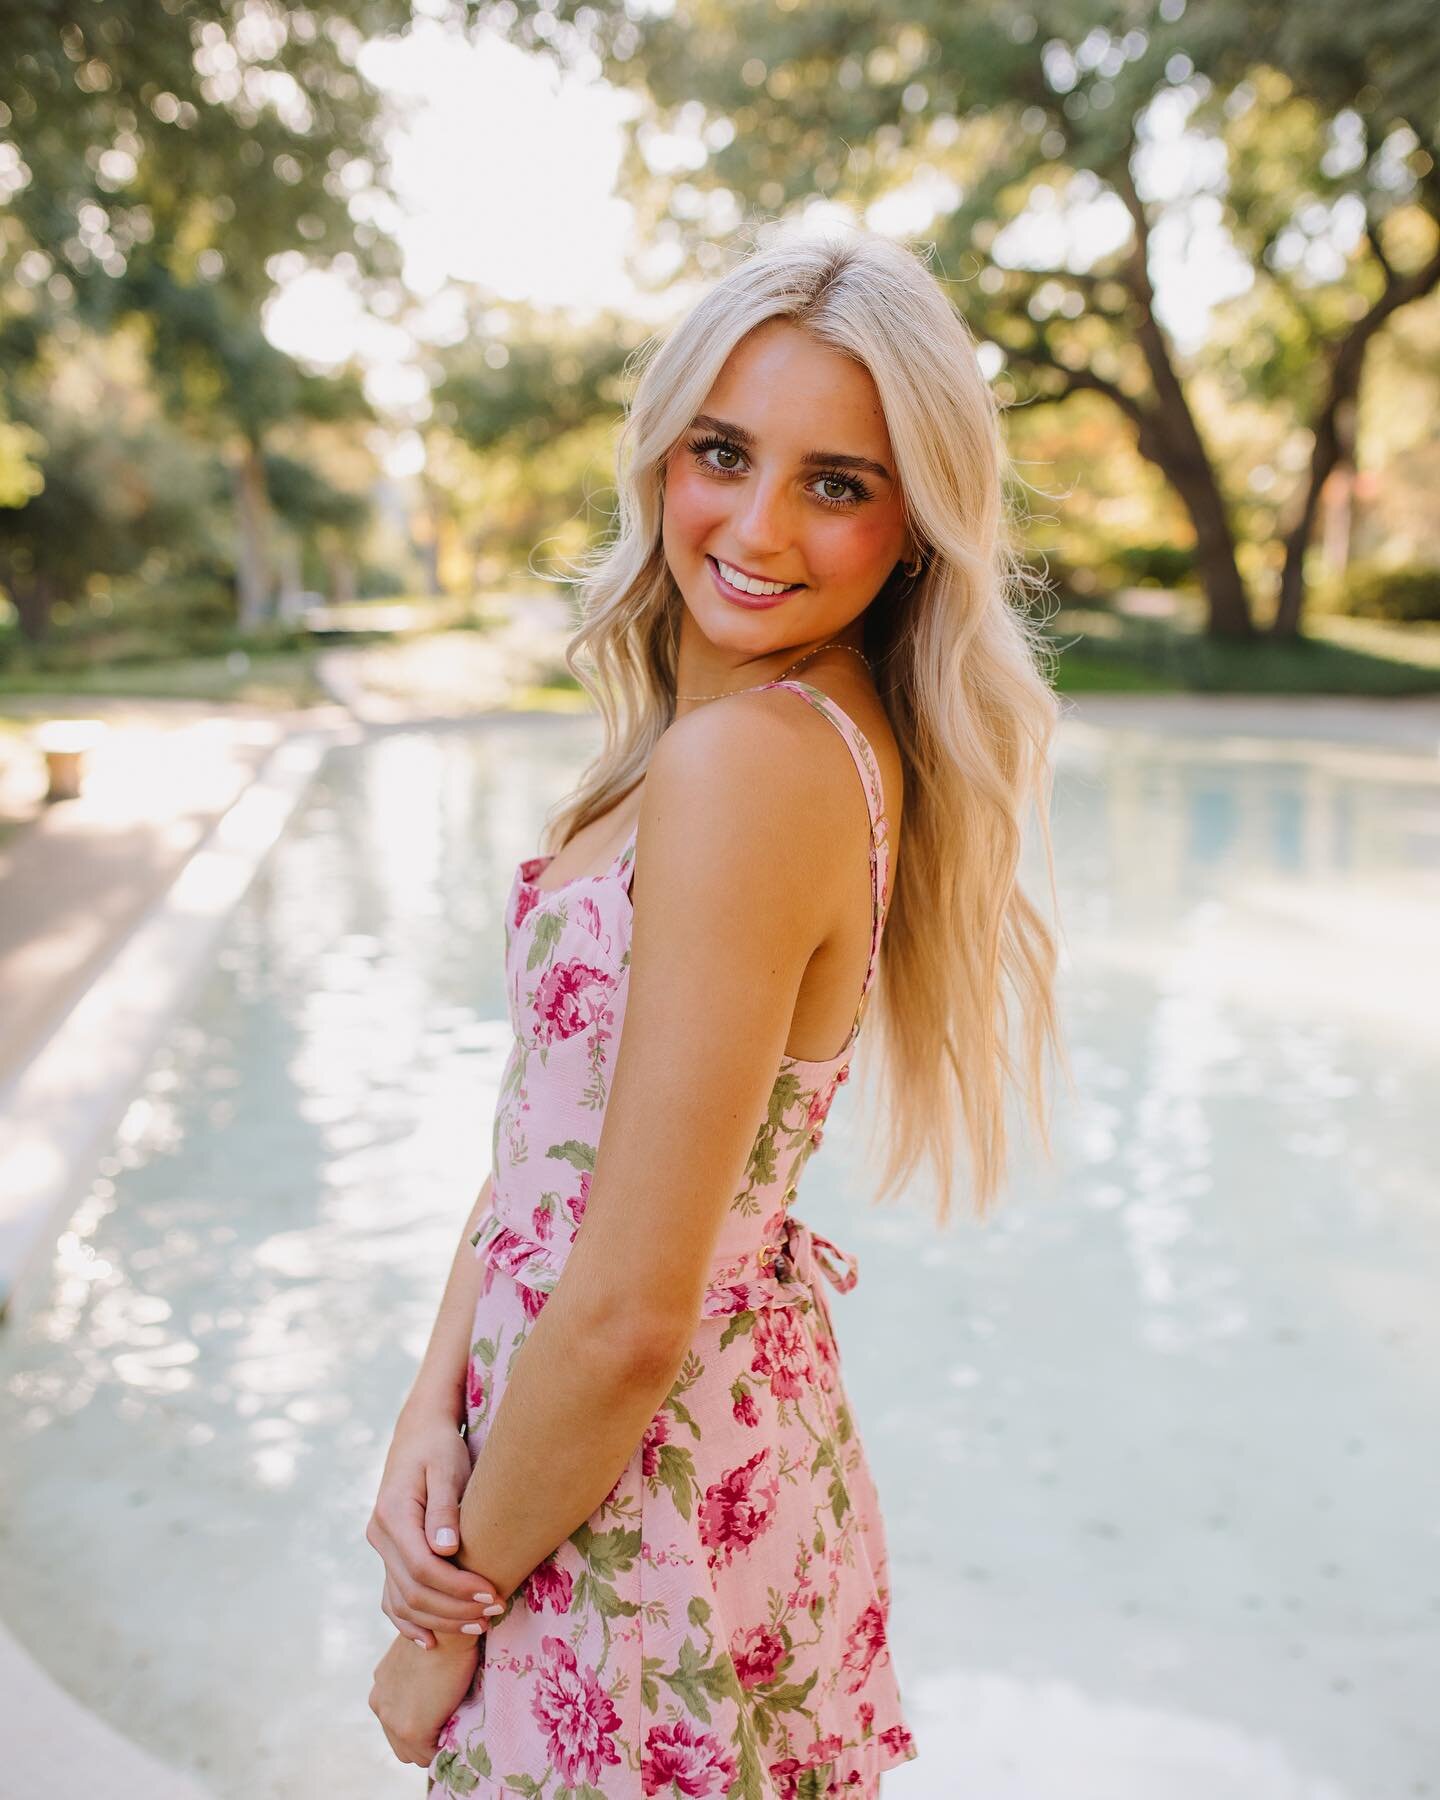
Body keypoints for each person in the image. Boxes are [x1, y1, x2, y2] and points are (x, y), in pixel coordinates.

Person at [365, 225, 1064, 1796]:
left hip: (630, 1511)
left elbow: (624, 1316)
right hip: (617, 1468)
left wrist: (441, 1621)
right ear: (661, 451)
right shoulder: (721, 742)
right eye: (723, 452)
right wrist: (432, 1402)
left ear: (915, 529)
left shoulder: (752, 764)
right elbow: (547, 1129)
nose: (756, 527)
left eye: (839, 482)